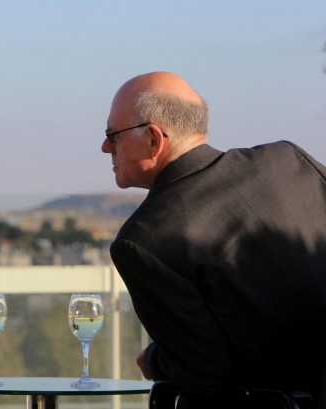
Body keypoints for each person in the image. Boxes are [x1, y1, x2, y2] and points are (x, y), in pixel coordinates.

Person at [102, 71, 326, 404]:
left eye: (112, 135)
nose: (105, 147)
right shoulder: (289, 159)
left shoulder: (145, 240)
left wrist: (152, 360)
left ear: (153, 140)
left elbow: (203, 370)